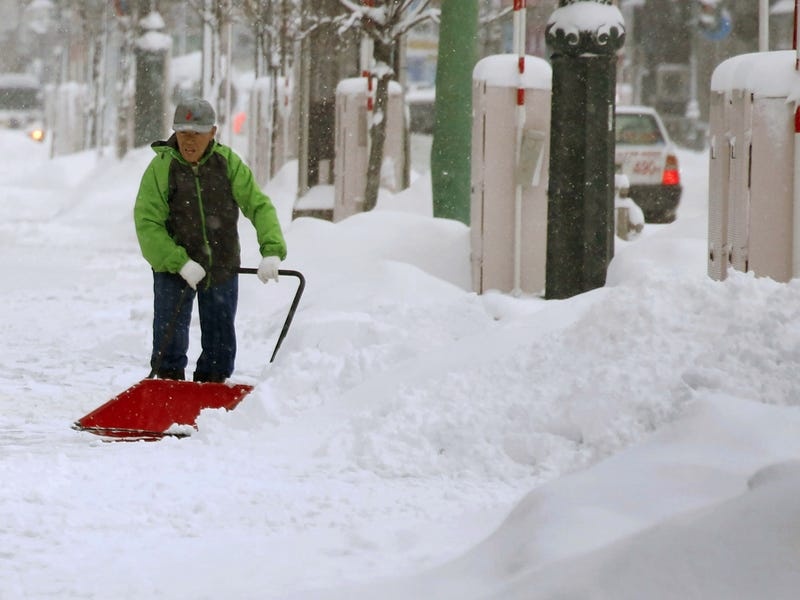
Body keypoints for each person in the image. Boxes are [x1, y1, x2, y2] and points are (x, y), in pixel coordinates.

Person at [134, 97, 286, 383]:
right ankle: (167, 389)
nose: (188, 142)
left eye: (197, 134)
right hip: (173, 269)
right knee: (170, 340)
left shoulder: (227, 164)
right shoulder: (162, 168)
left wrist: (272, 250)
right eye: (182, 134)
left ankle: (212, 395)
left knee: (220, 340)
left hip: (221, 265)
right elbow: (147, 223)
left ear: (213, 133)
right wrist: (179, 262)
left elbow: (258, 205)